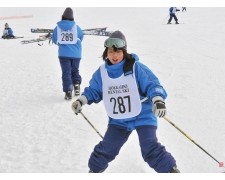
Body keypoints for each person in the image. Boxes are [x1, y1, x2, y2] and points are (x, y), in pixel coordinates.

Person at [71, 30, 180, 173]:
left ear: (124, 51)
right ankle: (94, 172)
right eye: (111, 51)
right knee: (107, 148)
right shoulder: (102, 72)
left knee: (150, 148)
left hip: (143, 115)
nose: (114, 55)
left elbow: (153, 85)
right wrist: (81, 100)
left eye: (118, 51)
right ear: (106, 52)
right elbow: (94, 90)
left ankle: (171, 172)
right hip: (119, 120)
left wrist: (158, 100)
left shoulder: (136, 68)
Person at [52, 7, 84, 100]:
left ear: (63, 16)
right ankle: (77, 85)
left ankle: (68, 91)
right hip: (76, 54)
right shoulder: (76, 27)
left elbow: (54, 40)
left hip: (63, 54)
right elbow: (81, 38)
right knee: (75, 71)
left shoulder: (57, 28)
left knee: (66, 72)